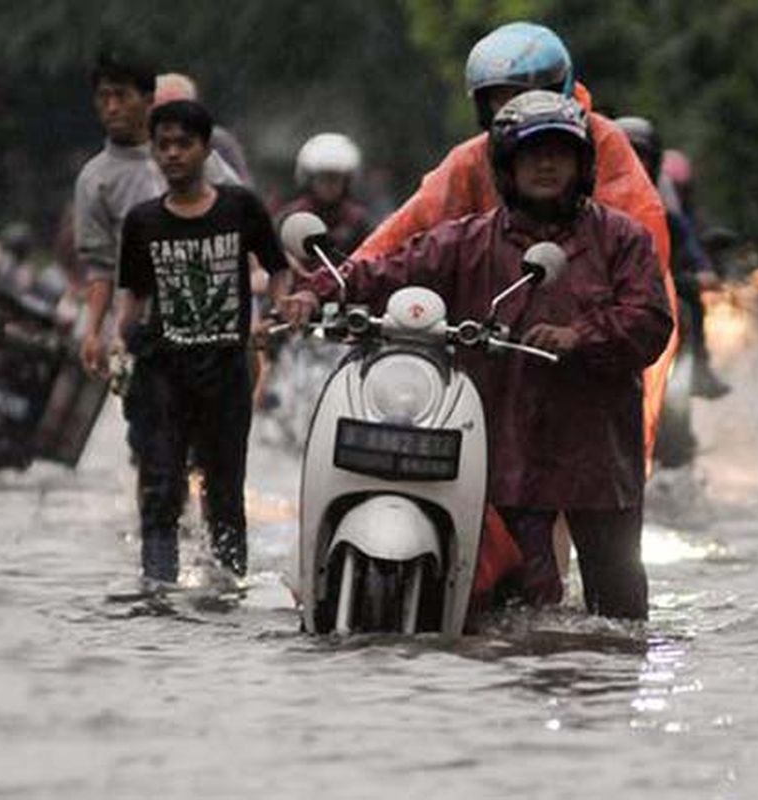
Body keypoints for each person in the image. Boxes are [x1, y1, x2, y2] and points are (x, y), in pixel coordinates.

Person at [278, 91, 673, 619]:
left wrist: (580, 335)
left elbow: (650, 321)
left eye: (560, 152)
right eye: (533, 154)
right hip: (506, 453)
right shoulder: (468, 240)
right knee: (510, 609)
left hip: (597, 455)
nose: (547, 164)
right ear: (507, 166)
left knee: (619, 608)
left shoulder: (622, 238)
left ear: (583, 164)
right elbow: (388, 270)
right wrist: (318, 291)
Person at [352, 21, 678, 465]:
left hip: (595, 346)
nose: (543, 164)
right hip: (499, 340)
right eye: (500, 98)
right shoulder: (471, 161)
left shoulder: (606, 157)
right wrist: (329, 285)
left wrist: (578, 326)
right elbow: (403, 236)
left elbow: (643, 254)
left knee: (600, 475)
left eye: (558, 156)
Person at [115, 99, 290, 584]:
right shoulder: (143, 221)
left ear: (204, 148)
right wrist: (115, 345)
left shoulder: (240, 208)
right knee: (160, 487)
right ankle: (158, 587)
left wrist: (275, 312)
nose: (172, 155)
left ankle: (228, 587)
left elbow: (278, 268)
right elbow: (133, 295)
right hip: (162, 370)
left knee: (226, 491)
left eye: (183, 144)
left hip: (226, 369)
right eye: (163, 145)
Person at [75, 51, 242, 376]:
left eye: (121, 96)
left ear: (148, 100)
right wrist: (93, 332)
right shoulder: (95, 180)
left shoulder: (196, 157)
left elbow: (243, 216)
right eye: (103, 97)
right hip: (143, 331)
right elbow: (101, 267)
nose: (111, 107)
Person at [617, 116, 729, 398]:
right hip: (609, 294)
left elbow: (687, 239)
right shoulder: (591, 199)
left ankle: (700, 370)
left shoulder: (663, 202)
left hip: (658, 286)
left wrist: (703, 269)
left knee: (688, 305)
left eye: (641, 155)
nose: (634, 162)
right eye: (626, 153)